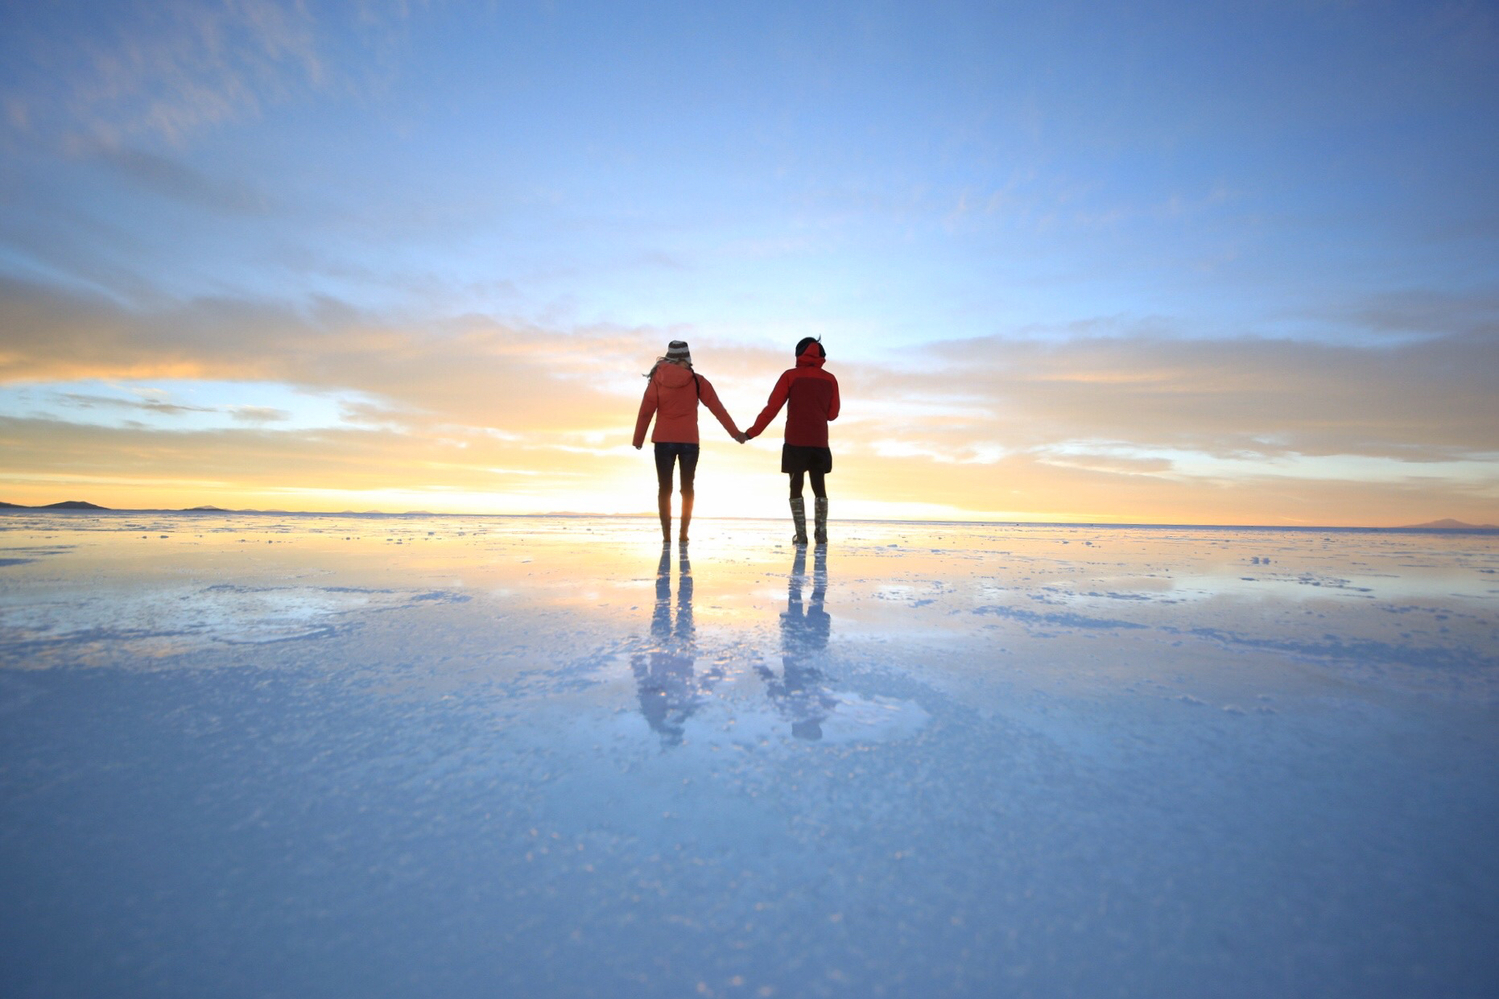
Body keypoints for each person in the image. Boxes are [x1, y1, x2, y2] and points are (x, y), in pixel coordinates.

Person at [633, 340, 743, 544]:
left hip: (663, 442)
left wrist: (638, 438)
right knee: (687, 488)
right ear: (686, 359)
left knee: (664, 488)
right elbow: (718, 409)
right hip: (689, 443)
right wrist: (736, 434)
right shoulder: (697, 381)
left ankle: (667, 537)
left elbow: (646, 410)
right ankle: (683, 534)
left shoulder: (658, 378)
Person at [743, 337, 839, 545]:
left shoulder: (790, 376)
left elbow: (772, 408)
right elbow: (833, 414)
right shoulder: (830, 379)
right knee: (819, 486)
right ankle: (821, 534)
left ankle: (802, 535)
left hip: (796, 440)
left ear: (798, 354)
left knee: (796, 485)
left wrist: (752, 432)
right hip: (819, 441)